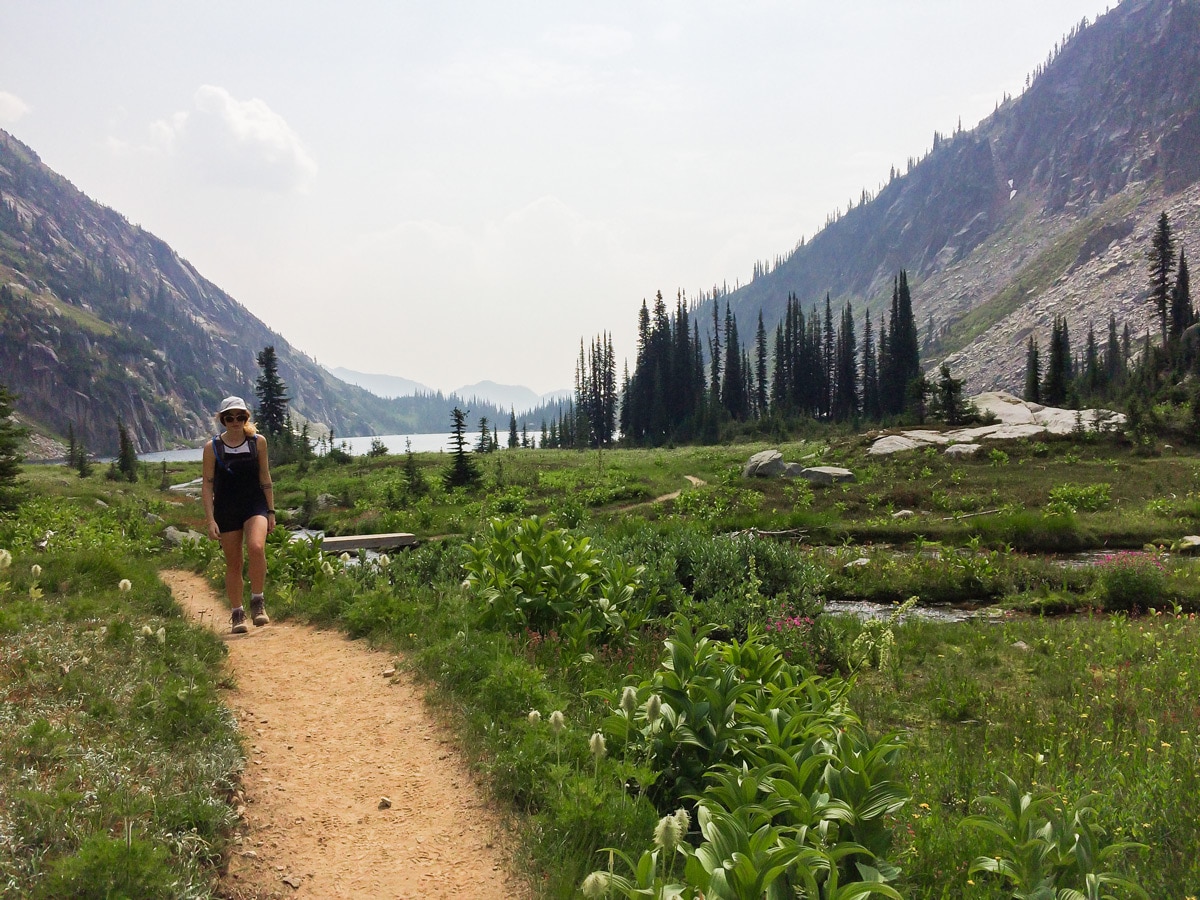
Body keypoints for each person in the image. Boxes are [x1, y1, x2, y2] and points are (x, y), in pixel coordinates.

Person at [202, 396, 276, 634]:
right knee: (234, 563)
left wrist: (271, 511)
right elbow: (207, 484)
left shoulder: (258, 442)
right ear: (222, 420)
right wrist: (211, 519)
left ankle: (258, 601)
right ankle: (237, 613)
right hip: (226, 508)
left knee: (256, 547)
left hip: (255, 505)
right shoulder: (212, 447)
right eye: (230, 417)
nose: (235, 421)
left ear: (246, 418)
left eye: (241, 417)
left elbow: (265, 477)